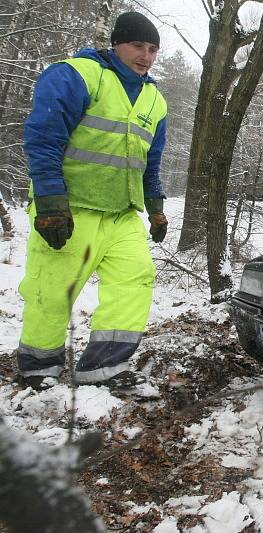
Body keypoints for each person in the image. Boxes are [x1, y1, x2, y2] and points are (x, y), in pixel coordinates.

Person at [16, 12, 169, 390]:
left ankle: (103, 367)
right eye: (138, 45)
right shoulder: (76, 75)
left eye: (153, 49)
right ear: (116, 43)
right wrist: (51, 202)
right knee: (53, 288)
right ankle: (39, 365)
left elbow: (150, 161)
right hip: (72, 208)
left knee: (135, 279)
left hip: (121, 215)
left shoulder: (155, 100)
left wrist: (156, 207)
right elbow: (44, 139)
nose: (146, 56)